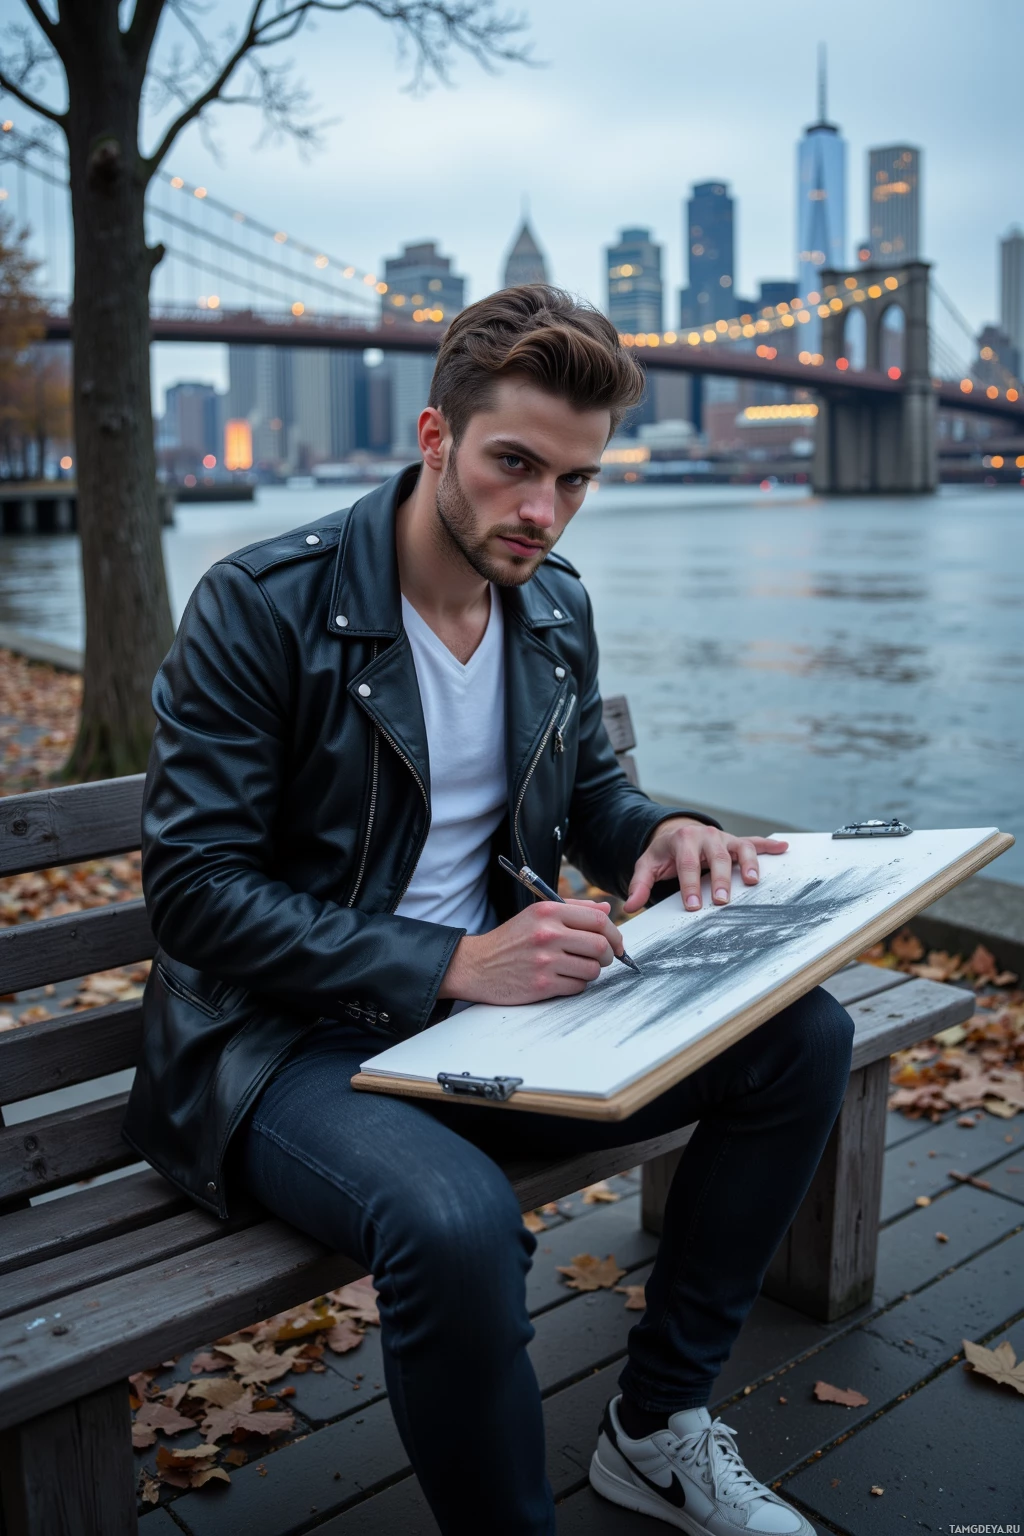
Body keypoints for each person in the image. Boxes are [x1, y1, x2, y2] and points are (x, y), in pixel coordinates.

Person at [124, 286, 853, 1536]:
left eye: (574, 482)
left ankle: (656, 1430)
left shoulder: (552, 605)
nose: (541, 511)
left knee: (804, 1037)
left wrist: (660, 833)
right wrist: (456, 960)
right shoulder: (260, 606)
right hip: (282, 1048)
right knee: (457, 1226)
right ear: (432, 439)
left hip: (486, 1027)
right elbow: (194, 896)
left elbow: (591, 799)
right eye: (516, 465)